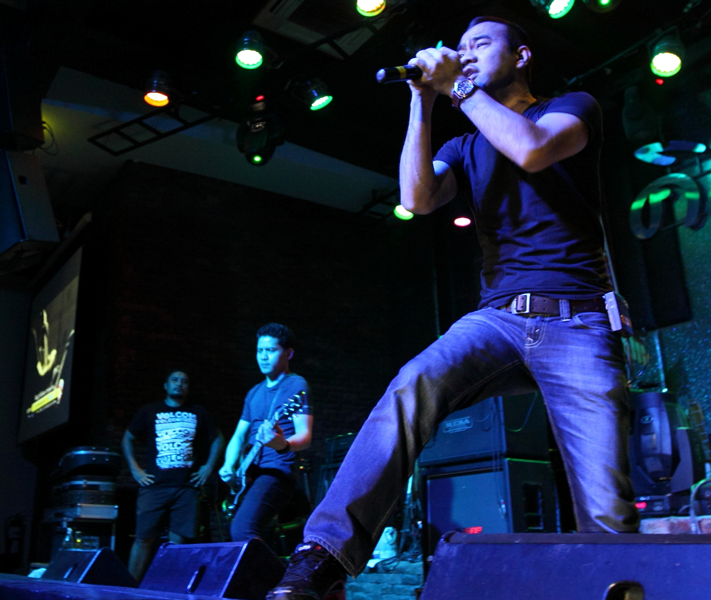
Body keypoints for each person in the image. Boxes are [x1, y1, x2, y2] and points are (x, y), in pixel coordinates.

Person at [267, 16, 640, 600]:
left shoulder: (571, 107)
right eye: (460, 48)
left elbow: (533, 150)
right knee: (412, 385)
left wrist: (456, 88)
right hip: (498, 318)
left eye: (480, 45)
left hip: (576, 317)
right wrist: (422, 100)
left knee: (607, 504)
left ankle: (615, 586)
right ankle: (324, 556)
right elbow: (416, 199)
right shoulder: (462, 145)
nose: (465, 55)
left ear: (521, 56)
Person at [123, 369, 225, 581]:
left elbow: (218, 438)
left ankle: (168, 588)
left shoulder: (197, 411)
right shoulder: (150, 410)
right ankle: (128, 589)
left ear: (188, 388)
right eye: (175, 380)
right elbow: (127, 438)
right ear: (166, 385)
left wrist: (208, 467)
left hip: (185, 488)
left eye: (184, 381)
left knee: (178, 543)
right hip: (154, 486)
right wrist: (135, 469)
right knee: (143, 539)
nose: (179, 384)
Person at [219, 323, 313, 543]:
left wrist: (283, 444)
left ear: (289, 353)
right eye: (259, 350)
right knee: (240, 534)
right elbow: (239, 436)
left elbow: (305, 436)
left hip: (277, 470)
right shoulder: (254, 392)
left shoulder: (296, 386)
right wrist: (229, 465)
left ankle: (274, 568)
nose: (263, 356)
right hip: (250, 473)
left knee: (242, 530)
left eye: (270, 350)